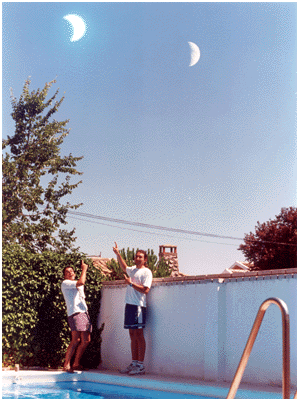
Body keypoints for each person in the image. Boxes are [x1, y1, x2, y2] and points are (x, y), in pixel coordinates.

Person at [113, 242, 153, 376]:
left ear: (145, 259)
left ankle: (141, 366)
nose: (138, 258)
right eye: (136, 256)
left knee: (139, 335)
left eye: (140, 257)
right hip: (129, 305)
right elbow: (124, 267)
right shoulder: (133, 270)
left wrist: (131, 284)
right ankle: (134, 363)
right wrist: (118, 254)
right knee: (132, 335)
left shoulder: (146, 272)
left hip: (139, 306)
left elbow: (146, 290)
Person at [61, 260, 92, 372]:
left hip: (83, 313)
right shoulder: (66, 283)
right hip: (75, 313)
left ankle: (76, 364)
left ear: (74, 273)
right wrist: (84, 269)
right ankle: (66, 365)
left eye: (71, 271)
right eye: (67, 272)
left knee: (86, 340)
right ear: (65, 276)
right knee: (76, 340)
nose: (70, 273)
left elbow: (81, 284)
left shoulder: (77, 283)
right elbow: (82, 282)